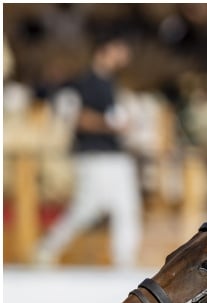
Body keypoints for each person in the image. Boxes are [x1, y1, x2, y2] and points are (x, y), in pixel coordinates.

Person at [35, 32, 141, 268]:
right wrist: (110, 125)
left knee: (126, 207)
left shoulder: (111, 83)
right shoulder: (83, 83)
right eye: (120, 49)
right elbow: (76, 118)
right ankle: (47, 247)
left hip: (114, 155)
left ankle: (125, 261)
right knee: (86, 210)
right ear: (105, 49)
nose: (125, 56)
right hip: (93, 155)